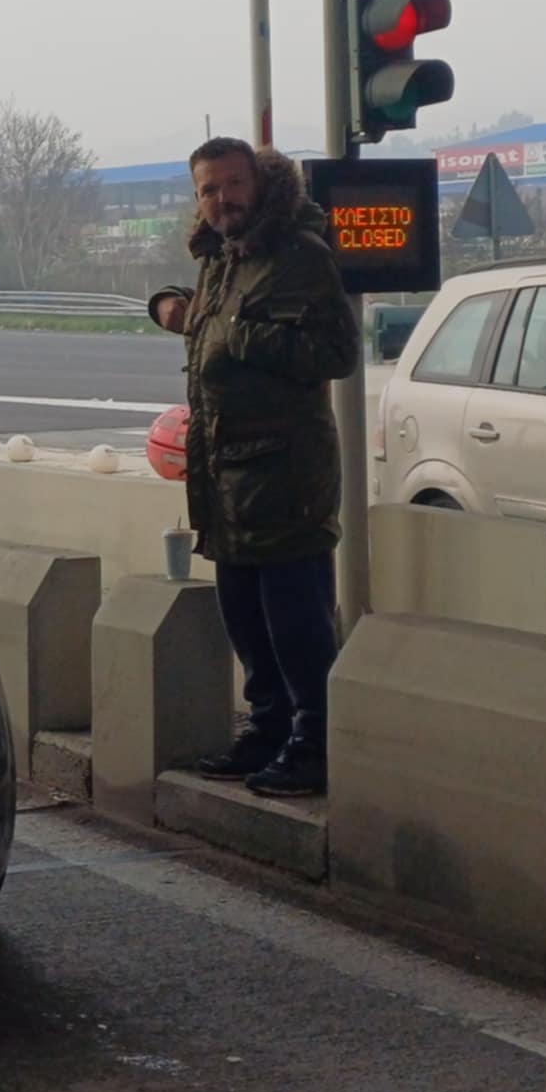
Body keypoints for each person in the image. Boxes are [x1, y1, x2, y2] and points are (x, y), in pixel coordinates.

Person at [148, 140, 360, 798]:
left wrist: (236, 335)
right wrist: (170, 306)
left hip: (287, 476)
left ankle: (317, 744)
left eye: (234, 184)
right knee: (244, 617)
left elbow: (336, 352)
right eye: (209, 190)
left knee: (297, 623)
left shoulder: (301, 253)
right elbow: (209, 319)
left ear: (259, 184)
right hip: (225, 476)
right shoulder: (221, 257)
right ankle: (268, 730)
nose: (223, 199)